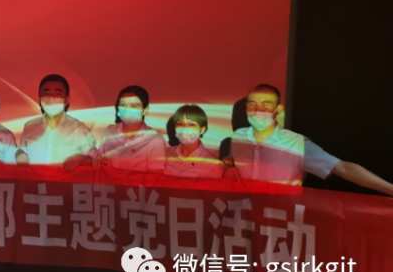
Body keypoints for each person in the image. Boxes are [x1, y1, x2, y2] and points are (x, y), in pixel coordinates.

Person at [225, 84, 393, 194]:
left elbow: (343, 168)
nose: (257, 110)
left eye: (265, 105)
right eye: (252, 104)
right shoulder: (238, 137)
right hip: (242, 222)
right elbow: (233, 163)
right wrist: (228, 167)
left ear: (278, 109)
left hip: (279, 223)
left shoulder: (296, 143)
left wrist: (390, 189)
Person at [15, 74, 96, 169]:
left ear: (67, 99)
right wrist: (19, 153)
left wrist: (81, 158)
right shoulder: (29, 126)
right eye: (46, 93)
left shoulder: (79, 129)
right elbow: (21, 151)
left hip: (66, 179)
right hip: (34, 179)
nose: (51, 98)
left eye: (57, 94)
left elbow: (95, 160)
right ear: (40, 98)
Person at [85, 86, 167, 172]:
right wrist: (98, 161)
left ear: (144, 110)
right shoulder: (110, 131)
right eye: (123, 105)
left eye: (134, 106)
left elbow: (154, 176)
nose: (127, 110)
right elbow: (99, 158)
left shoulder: (154, 140)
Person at [163, 104, 225, 179]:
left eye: (191, 125)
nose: (184, 129)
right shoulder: (164, 154)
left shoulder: (213, 165)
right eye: (180, 124)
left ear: (202, 129)